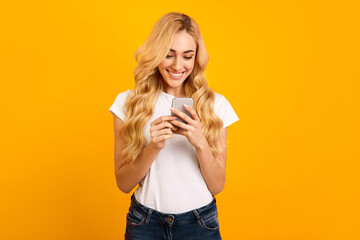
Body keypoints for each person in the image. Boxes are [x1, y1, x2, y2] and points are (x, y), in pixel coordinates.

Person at [109, 12, 239, 240]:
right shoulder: (128, 103)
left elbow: (217, 185)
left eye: (187, 56)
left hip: (200, 225)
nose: (178, 65)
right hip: (145, 224)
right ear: (156, 54)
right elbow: (123, 183)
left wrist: (200, 142)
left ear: (196, 58)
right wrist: (153, 146)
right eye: (169, 55)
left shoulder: (216, 105)